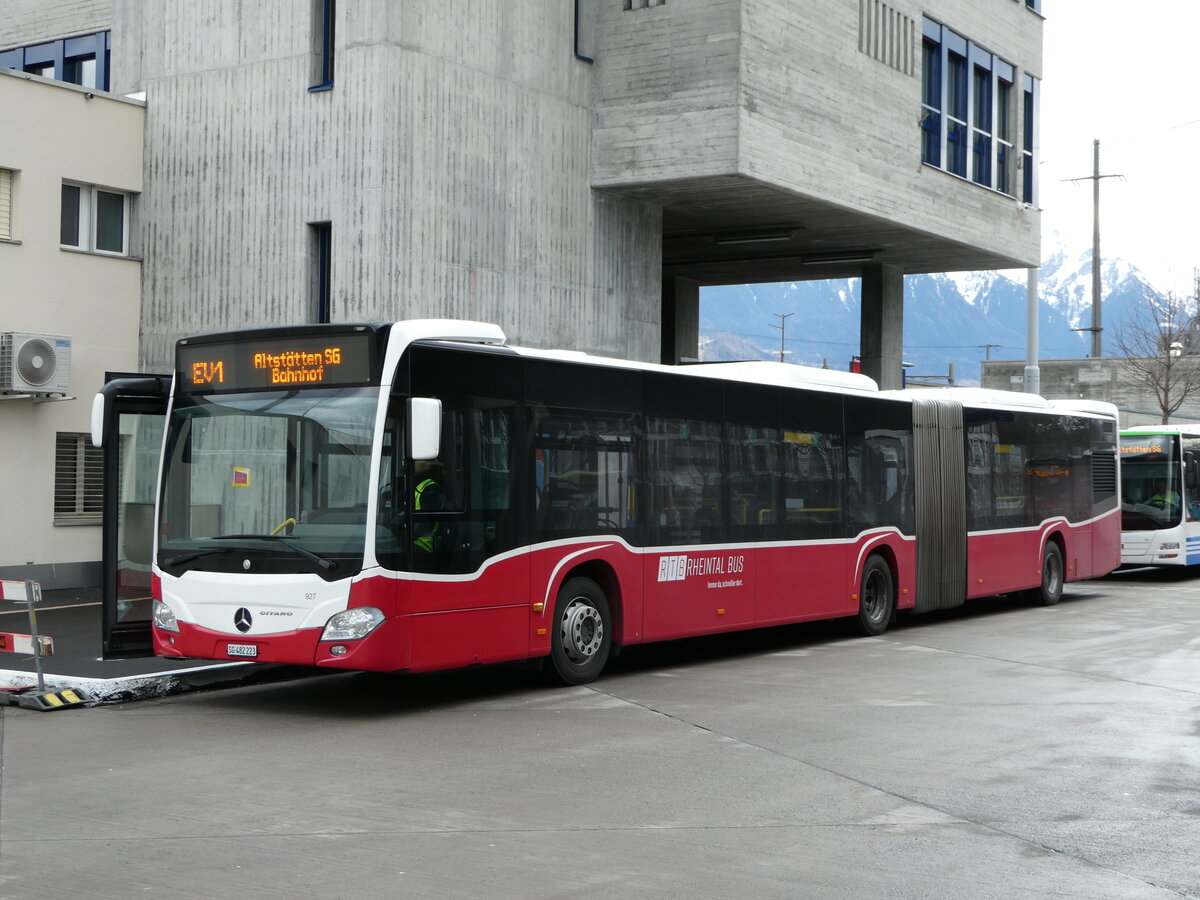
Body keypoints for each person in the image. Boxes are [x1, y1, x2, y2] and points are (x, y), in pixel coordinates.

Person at [413, 459, 445, 552]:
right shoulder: (416, 483)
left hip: (423, 546)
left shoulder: (431, 489)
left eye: (417, 459)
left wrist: (407, 535)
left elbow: (427, 522)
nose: (413, 461)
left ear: (427, 466)